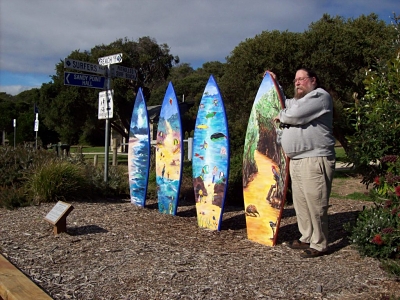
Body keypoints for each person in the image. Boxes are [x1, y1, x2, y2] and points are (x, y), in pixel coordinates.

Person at [271, 68, 336, 258]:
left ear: (313, 80)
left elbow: (295, 115)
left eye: (301, 79)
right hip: (297, 159)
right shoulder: (297, 101)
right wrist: (275, 83)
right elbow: (281, 101)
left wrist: (281, 116)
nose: (297, 82)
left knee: (316, 203)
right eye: (295, 80)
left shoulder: (320, 96)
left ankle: (319, 244)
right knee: (301, 203)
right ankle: (306, 236)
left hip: (314, 158)